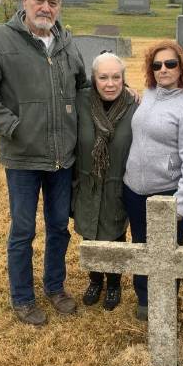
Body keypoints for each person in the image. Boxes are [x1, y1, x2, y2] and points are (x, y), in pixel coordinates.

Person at [0, 0, 87, 326]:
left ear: (59, 7)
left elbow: (83, 90)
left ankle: (55, 287)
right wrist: (12, 127)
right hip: (22, 157)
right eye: (39, 0)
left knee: (59, 226)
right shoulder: (0, 41)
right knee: (22, 230)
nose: (45, 8)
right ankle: (22, 297)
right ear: (25, 1)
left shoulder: (67, 44)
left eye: (52, 2)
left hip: (63, 157)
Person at [123, 40, 183, 321]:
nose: (163, 69)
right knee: (140, 245)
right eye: (157, 65)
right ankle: (144, 297)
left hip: (167, 193)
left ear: (182, 67)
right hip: (134, 189)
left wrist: (180, 204)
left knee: (167, 252)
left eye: (170, 63)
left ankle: (165, 299)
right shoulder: (147, 95)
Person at [72, 52, 137, 311]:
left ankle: (113, 284)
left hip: (117, 183)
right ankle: (95, 280)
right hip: (88, 182)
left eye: (116, 77)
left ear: (123, 79)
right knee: (90, 234)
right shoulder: (81, 102)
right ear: (94, 79)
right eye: (103, 77)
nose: (110, 83)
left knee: (116, 234)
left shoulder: (134, 105)